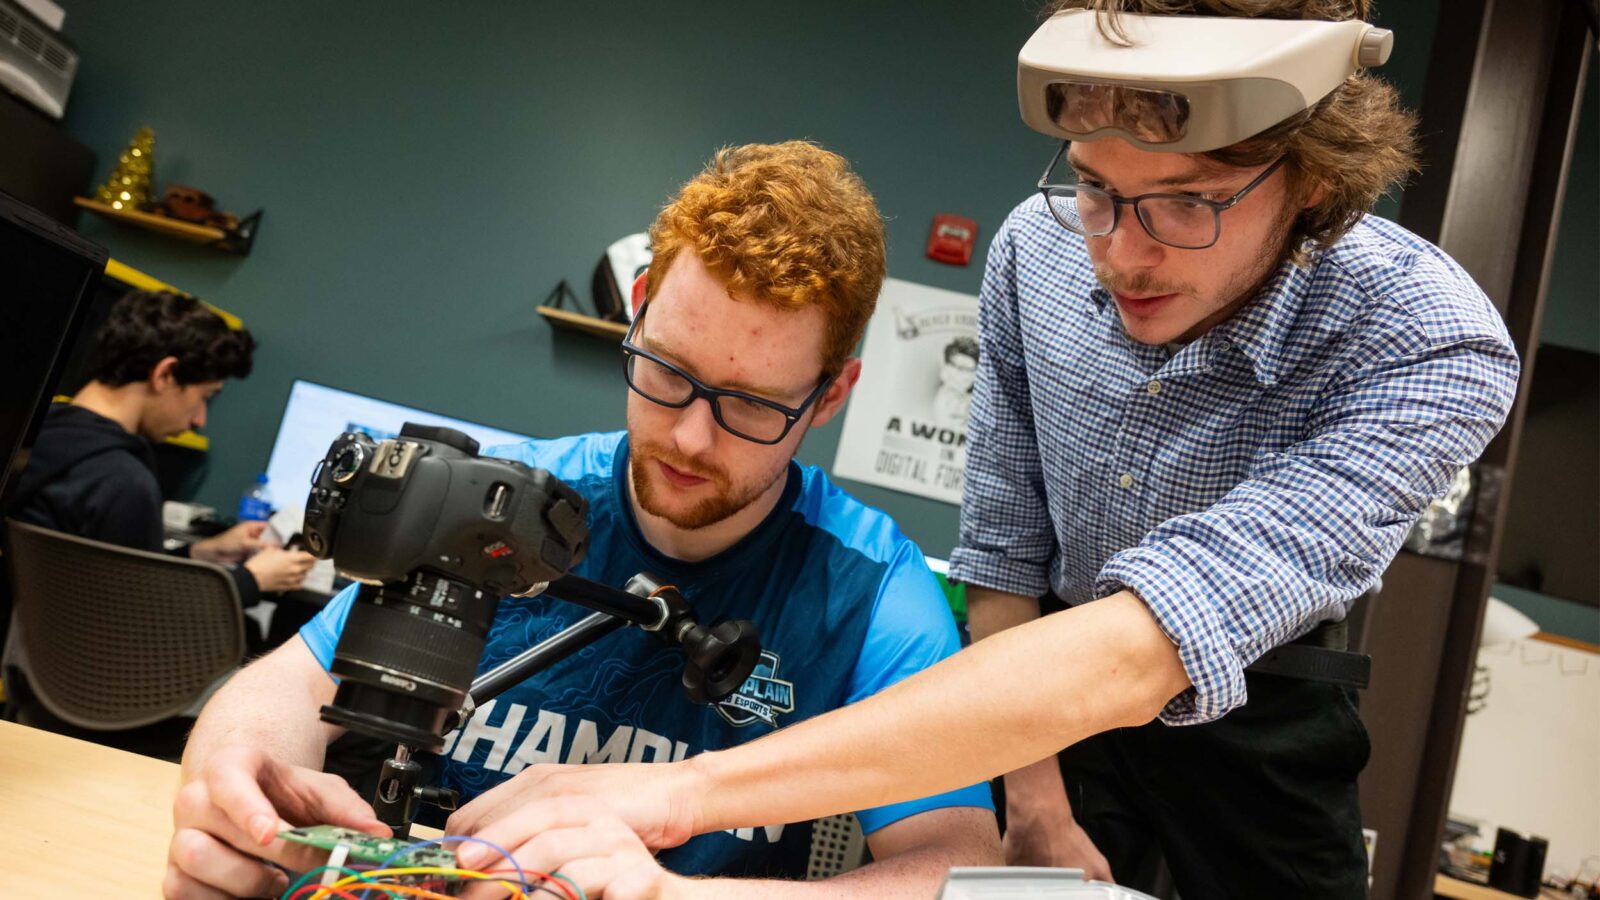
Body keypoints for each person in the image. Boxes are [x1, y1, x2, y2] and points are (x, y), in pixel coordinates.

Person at [426, 3, 1522, 898]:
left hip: (1259, 711)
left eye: (1183, 204)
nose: (1118, 253)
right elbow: (1004, 558)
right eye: (1095, 186)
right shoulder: (1033, 255)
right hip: (1023, 695)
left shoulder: (1428, 344)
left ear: (1314, 181)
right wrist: (1036, 803)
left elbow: (1145, 646)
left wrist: (671, 798)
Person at [164, 141, 999, 900]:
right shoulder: (511, 494)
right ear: (637, 313)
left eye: (750, 406)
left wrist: (679, 899)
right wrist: (245, 789)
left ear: (831, 396)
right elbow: (283, 688)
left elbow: (958, 874)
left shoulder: (873, 590)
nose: (688, 435)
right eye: (667, 371)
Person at [7, 290, 317, 607]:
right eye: (204, 397)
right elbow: (148, 622)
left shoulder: (35, 433)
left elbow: (117, 580)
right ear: (165, 375)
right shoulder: (122, 482)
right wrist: (250, 580)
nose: (199, 419)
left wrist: (199, 553)